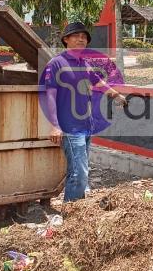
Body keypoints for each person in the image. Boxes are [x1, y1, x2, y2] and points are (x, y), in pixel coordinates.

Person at [43, 22, 127, 202]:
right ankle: (71, 213)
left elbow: (98, 82)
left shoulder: (84, 63)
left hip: (87, 126)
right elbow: (49, 96)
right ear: (66, 39)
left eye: (84, 37)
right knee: (79, 173)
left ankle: (76, 208)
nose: (81, 39)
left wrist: (116, 95)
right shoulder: (56, 63)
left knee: (81, 170)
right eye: (76, 36)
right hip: (70, 128)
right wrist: (55, 126)